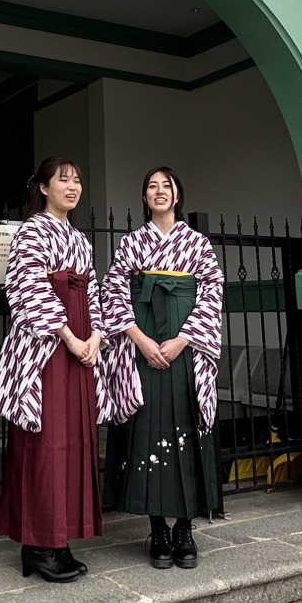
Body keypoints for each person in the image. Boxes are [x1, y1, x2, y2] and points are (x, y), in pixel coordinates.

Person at [0, 156, 104, 583]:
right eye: (62, 180)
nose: (72, 187)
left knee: (73, 441)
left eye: (77, 180)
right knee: (45, 442)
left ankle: (60, 539)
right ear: (43, 187)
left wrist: (95, 338)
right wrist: (69, 337)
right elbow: (27, 287)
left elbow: (93, 293)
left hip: (81, 345)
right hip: (47, 347)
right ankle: (37, 544)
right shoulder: (32, 231)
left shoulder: (80, 240)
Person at [98, 166, 225, 570]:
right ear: (144, 197)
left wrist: (183, 340)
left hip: (185, 345)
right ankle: (158, 529)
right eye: (151, 186)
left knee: (186, 421)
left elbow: (212, 292)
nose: (159, 191)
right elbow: (112, 290)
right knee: (148, 429)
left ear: (177, 195)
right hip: (143, 342)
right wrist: (140, 339)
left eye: (166, 185)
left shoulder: (197, 243)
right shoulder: (132, 243)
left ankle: (185, 528)